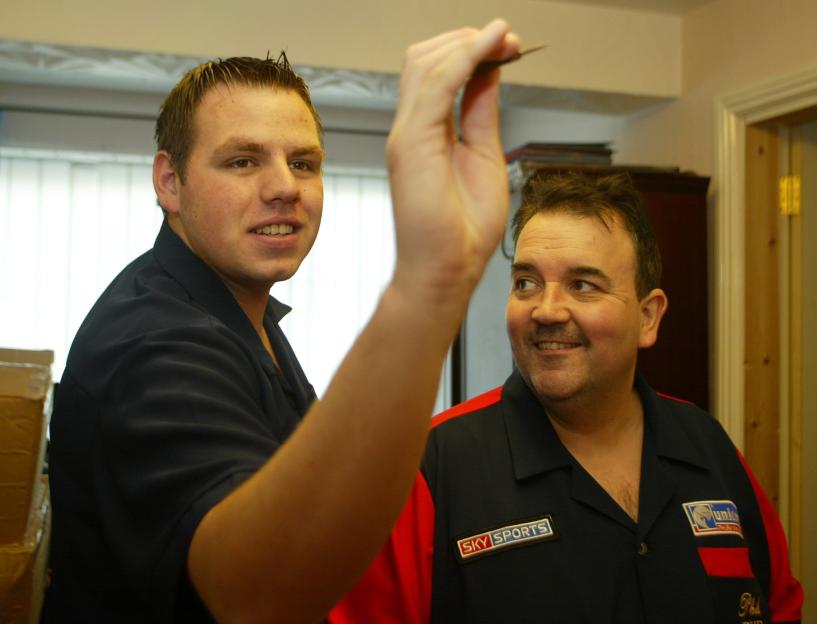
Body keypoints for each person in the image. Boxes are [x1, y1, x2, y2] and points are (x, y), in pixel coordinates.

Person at [42, 19, 521, 623]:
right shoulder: (156, 341)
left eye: (303, 162)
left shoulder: (244, 314)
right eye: (243, 161)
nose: (284, 188)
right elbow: (258, 594)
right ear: (170, 182)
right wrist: (430, 282)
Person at [330, 172, 804, 624]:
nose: (547, 310)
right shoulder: (430, 468)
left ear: (648, 317)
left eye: (582, 285)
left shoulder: (709, 448)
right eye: (526, 283)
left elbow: (779, 604)